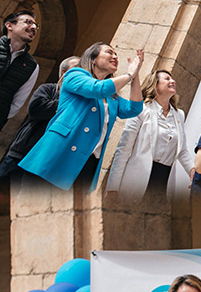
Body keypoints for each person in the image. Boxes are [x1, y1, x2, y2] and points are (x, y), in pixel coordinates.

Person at [19, 42, 144, 193]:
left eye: (116, 54)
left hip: (87, 164)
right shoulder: (75, 75)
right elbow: (97, 89)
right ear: (93, 58)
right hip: (59, 154)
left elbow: (134, 108)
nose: (115, 56)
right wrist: (128, 75)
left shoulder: (112, 98)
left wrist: (135, 75)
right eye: (109, 52)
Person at [106, 67, 193, 201]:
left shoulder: (179, 115)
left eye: (172, 78)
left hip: (164, 181)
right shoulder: (141, 110)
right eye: (167, 79)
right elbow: (123, 149)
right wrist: (113, 188)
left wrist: (193, 172)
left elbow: (182, 151)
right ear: (154, 85)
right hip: (138, 179)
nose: (173, 81)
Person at [0, 57, 79, 179]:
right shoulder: (48, 89)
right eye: (77, 68)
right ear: (64, 72)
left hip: (45, 161)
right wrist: (68, 102)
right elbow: (35, 109)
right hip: (22, 153)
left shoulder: (82, 102)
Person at [0, 12, 39, 135]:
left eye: (36, 26)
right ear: (9, 25)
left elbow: (17, 103)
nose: (33, 28)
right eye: (28, 22)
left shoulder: (32, 66)